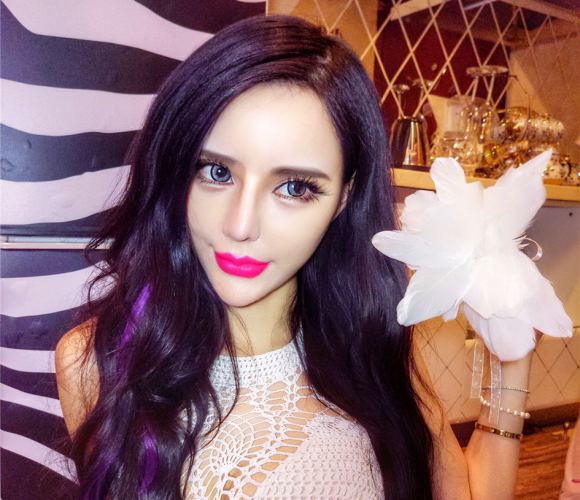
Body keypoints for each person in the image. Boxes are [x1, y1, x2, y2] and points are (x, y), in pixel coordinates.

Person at [55, 13, 536, 499]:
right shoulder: (96, 362)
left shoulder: (369, 345)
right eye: (217, 172)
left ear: (344, 197)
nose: (240, 226)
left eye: (294, 187)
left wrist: (513, 359)